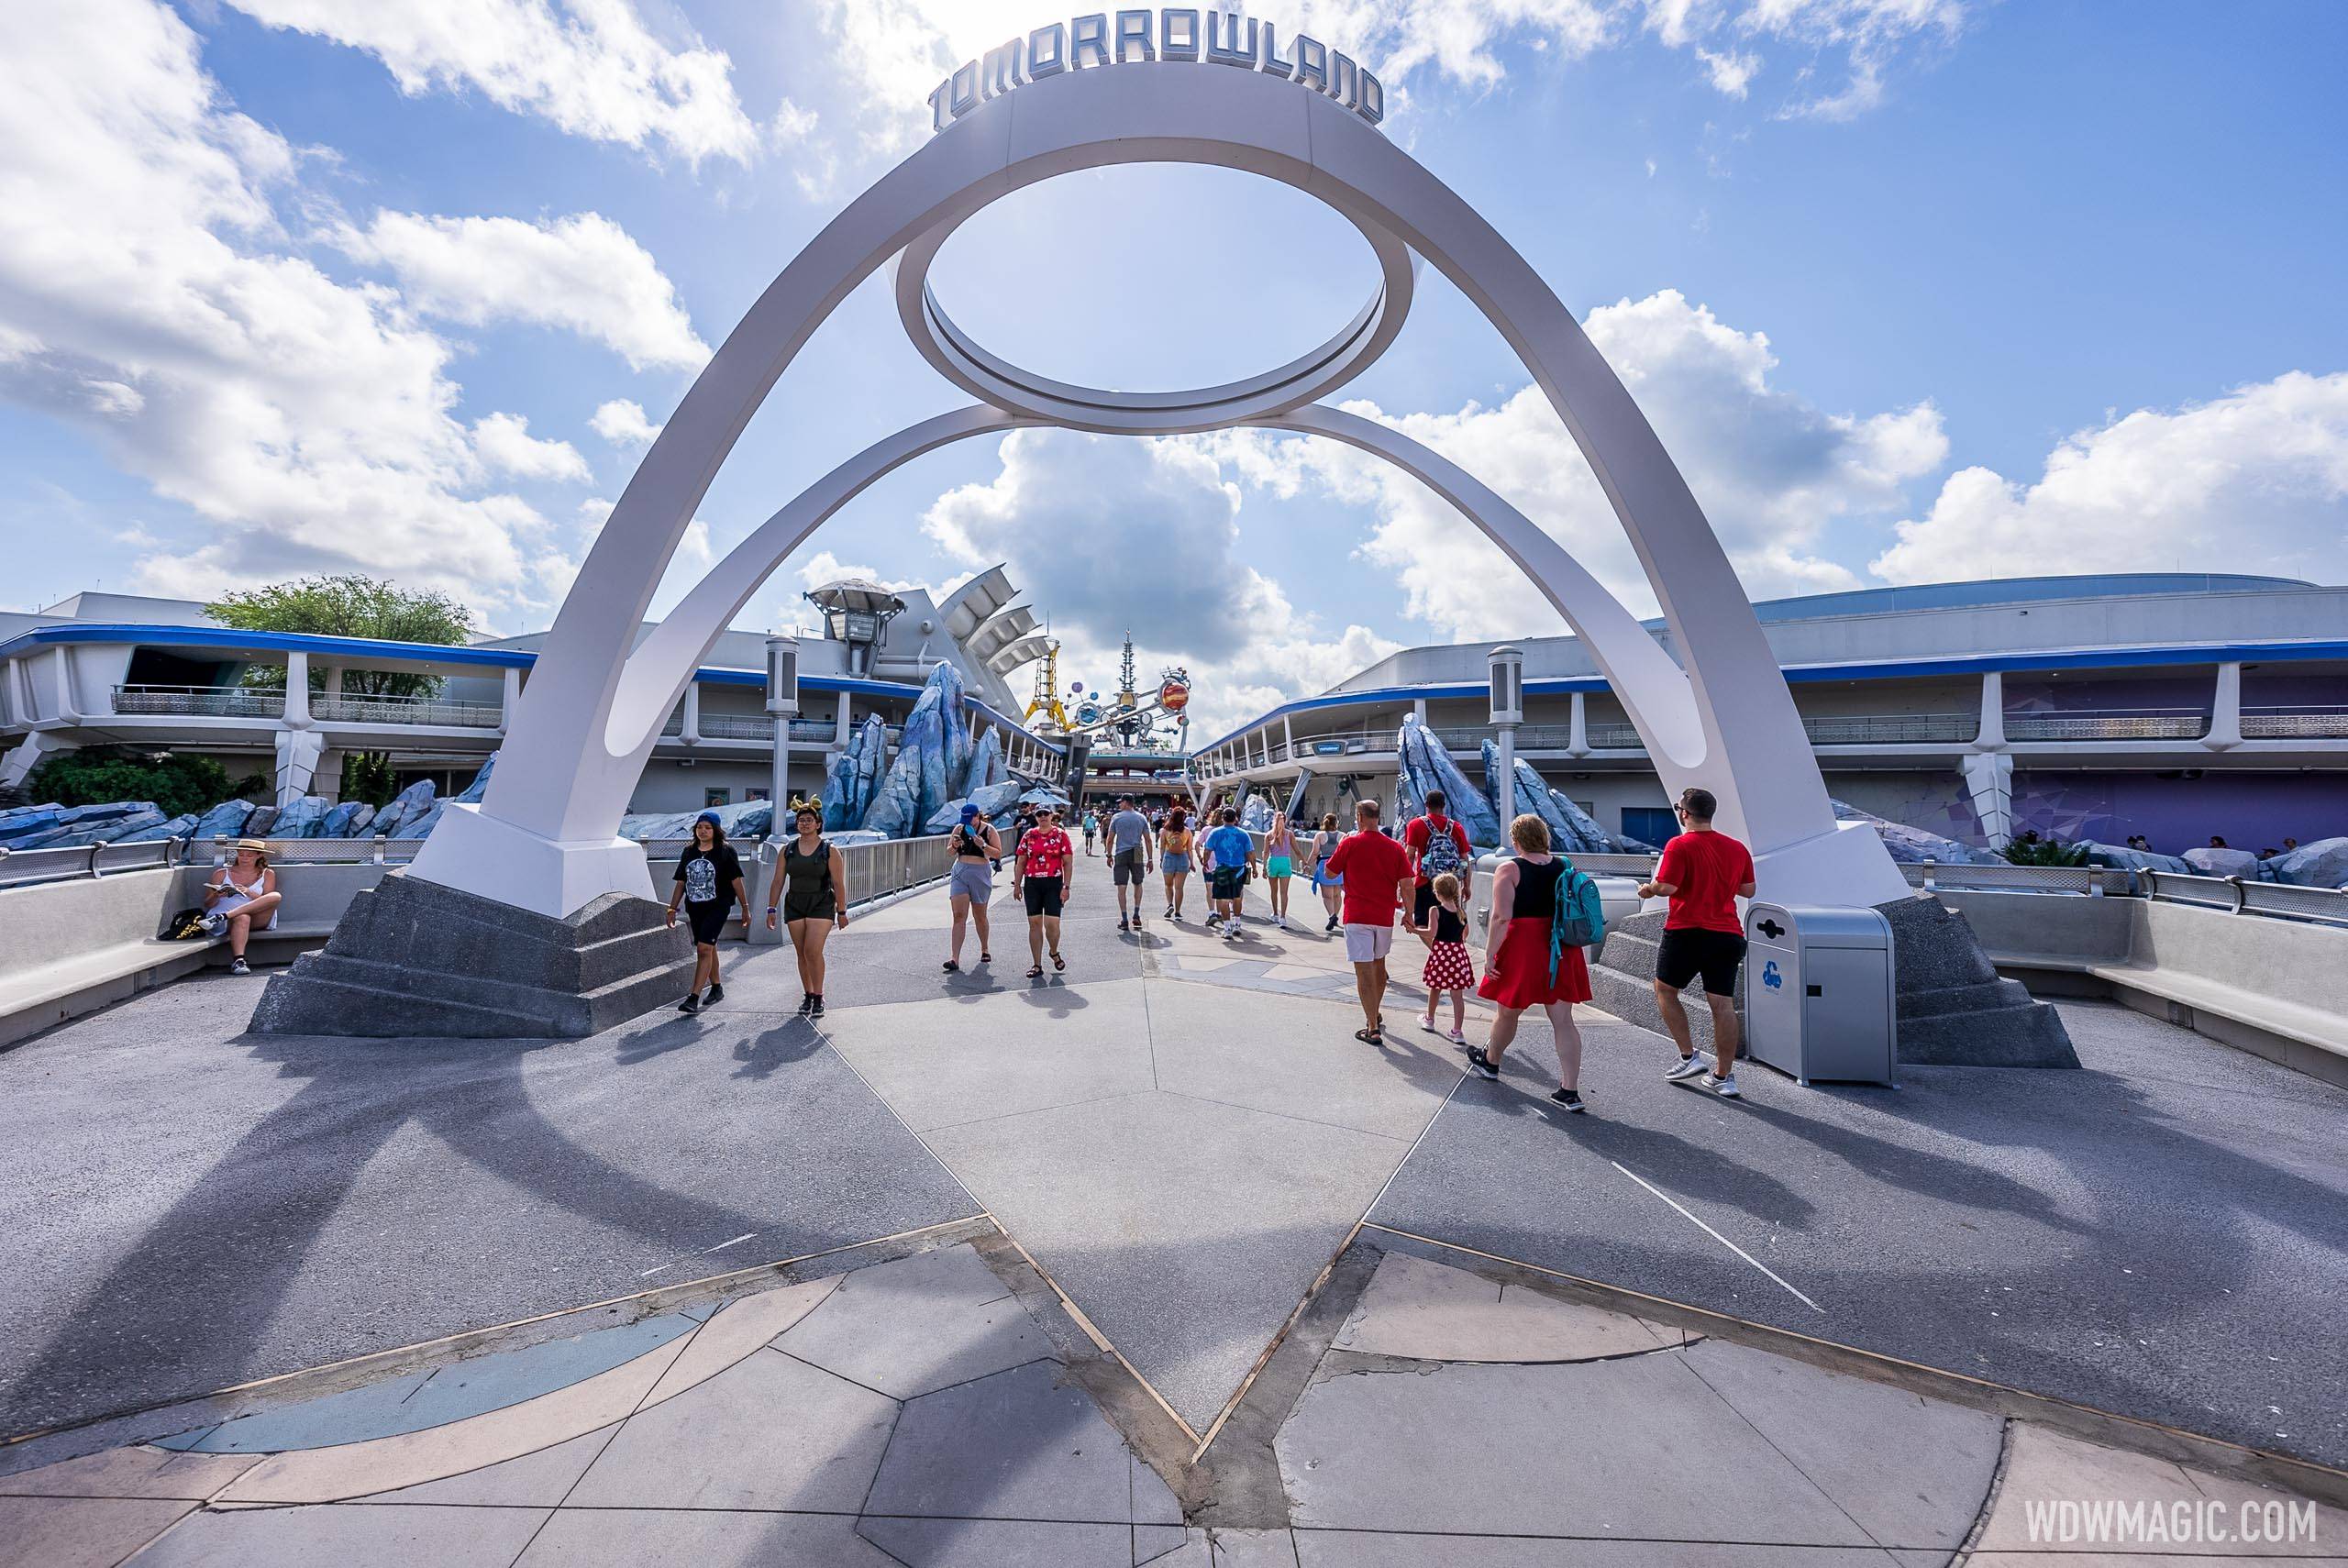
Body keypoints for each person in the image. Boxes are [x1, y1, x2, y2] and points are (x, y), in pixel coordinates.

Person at [1468, 814, 1598, 1111]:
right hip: (1560, 945)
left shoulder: (1510, 868)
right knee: (1564, 1020)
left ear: (1516, 841)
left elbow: (1501, 918)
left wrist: (1489, 955)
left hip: (1524, 947)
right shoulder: (1564, 865)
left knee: (1507, 1013)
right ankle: (1569, 1090)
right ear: (1544, 837)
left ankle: (1491, 1062)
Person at [1637, 786, 1756, 1099]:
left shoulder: (1679, 845)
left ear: (1685, 814)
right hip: (1728, 934)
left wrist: (1649, 889)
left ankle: (1689, 1057)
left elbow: (1668, 887)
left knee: (1665, 989)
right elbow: (1748, 890)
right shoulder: (1737, 848)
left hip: (1687, 931)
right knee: (1722, 1005)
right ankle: (1724, 1076)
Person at [1324, 798, 1414, 1045]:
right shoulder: (1395, 847)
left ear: (1360, 817)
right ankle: (1374, 1012)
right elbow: (1407, 884)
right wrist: (1410, 913)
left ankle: (1372, 1026)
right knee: (1378, 967)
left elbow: (1330, 872)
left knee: (1363, 971)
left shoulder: (1350, 843)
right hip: (1383, 917)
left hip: (1357, 915)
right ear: (1378, 816)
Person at [759, 804, 849, 1016]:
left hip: (821, 903)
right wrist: (771, 908)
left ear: (818, 825)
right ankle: (808, 994)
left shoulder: (830, 851)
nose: (805, 823)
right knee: (801, 952)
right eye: (801, 820)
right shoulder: (787, 850)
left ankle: (819, 996)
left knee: (812, 951)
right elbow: (778, 881)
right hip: (795, 903)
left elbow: (838, 882)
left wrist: (842, 911)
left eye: (809, 820)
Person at [670, 812, 748, 1014]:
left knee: (704, 949)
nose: (703, 831)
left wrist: (745, 908)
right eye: (699, 827)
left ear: (716, 830)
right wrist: (672, 907)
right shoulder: (689, 852)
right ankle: (716, 988)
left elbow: (736, 880)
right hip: (695, 906)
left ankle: (693, 997)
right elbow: (681, 882)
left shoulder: (725, 851)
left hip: (718, 905)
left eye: (707, 827)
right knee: (708, 946)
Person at [201, 838, 281, 976]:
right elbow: (208, 904)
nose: (244, 858)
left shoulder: (268, 874)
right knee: (242, 917)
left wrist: (249, 892)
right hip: (228, 921)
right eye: (241, 854)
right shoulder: (221, 873)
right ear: (237, 854)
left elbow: (267, 901)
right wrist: (217, 895)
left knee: (276, 896)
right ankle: (239, 961)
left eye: (249, 855)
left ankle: (222, 917)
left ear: (259, 855)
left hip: (257, 916)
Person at [1412, 869, 1475, 1043]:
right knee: (1457, 995)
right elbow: (1465, 934)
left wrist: (1413, 929)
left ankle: (1430, 1019)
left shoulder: (1435, 910)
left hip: (1441, 954)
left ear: (1438, 893)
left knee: (1435, 988)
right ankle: (1457, 1031)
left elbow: (1430, 932)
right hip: (1458, 954)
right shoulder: (1461, 912)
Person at [1017, 804, 1075, 977]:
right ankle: (1036, 964)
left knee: (1052, 925)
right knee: (1034, 924)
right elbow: (1021, 861)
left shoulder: (1060, 835)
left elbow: (1068, 862)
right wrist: (1017, 885)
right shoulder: (1029, 835)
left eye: (1046, 814)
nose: (1043, 817)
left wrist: (1066, 886)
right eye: (1039, 814)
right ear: (1035, 817)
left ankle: (1053, 951)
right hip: (1032, 883)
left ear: (1052, 816)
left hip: (1053, 882)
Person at [943, 802, 1001, 973]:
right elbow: (949, 852)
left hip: (980, 873)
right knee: (958, 915)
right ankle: (955, 958)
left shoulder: (989, 830)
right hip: (960, 872)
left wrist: (982, 844)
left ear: (977, 816)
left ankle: (985, 948)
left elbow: (997, 853)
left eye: (971, 819)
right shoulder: (959, 828)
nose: (968, 822)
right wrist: (954, 845)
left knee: (979, 915)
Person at [1404, 789, 1474, 930]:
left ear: (1426, 804)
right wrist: (1466, 885)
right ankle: (1445, 949)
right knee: (1451, 924)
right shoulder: (1456, 827)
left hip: (1425, 881)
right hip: (1451, 883)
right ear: (1444, 805)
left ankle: (1436, 950)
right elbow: (1464, 859)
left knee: (1423, 923)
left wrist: (1405, 881)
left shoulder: (1416, 824)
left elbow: (1410, 855)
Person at [1202, 806, 1257, 942]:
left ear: (1223, 818)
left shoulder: (1215, 833)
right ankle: (1237, 923)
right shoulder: (1244, 834)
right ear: (1235, 819)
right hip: (1239, 869)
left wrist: (1205, 862)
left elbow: (1207, 850)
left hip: (1222, 869)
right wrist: (1255, 868)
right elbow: (1250, 852)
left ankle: (1227, 928)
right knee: (1237, 898)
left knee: (1223, 900)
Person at [1107, 795, 1153, 932]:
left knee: (1121, 886)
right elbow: (1148, 840)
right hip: (1137, 850)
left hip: (1121, 852)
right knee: (1138, 883)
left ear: (1126, 803)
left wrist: (1109, 855)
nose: (1119, 805)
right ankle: (1137, 914)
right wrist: (1150, 859)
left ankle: (1125, 919)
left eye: (1120, 802)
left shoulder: (1116, 818)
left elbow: (1110, 839)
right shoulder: (1141, 818)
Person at [1262, 811, 1299, 929]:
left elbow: (1266, 853)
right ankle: (1283, 918)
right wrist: (1305, 861)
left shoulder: (1268, 835)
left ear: (1274, 820)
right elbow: (1296, 851)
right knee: (1284, 893)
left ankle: (1275, 914)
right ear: (1286, 820)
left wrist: (1263, 868)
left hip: (1273, 862)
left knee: (1274, 891)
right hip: (1285, 862)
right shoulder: (1290, 834)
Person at [1310, 812, 1345, 933]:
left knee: (1327, 895)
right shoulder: (1343, 836)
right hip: (1338, 865)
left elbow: (1315, 852)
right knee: (1337, 894)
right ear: (1337, 823)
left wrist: (1307, 864)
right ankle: (1335, 916)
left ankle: (1331, 915)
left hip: (1325, 865)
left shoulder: (1320, 835)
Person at [1159, 808, 1195, 922]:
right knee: (1179, 888)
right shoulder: (1187, 831)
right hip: (1183, 858)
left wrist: (1161, 859)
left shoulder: (1165, 830)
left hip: (1169, 857)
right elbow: (1190, 849)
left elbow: (1162, 847)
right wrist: (1192, 863)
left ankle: (1170, 905)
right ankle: (1178, 912)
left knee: (1168, 885)